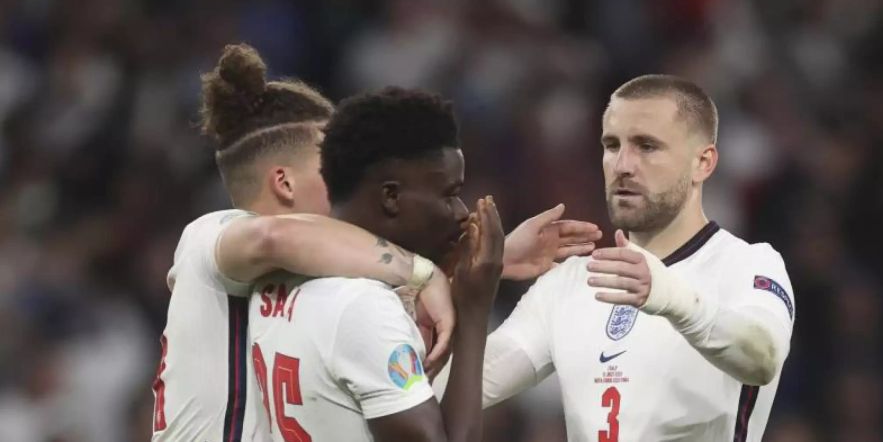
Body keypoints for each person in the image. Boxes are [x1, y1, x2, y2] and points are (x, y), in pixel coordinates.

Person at [151, 43, 600, 441]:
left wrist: (475, 267)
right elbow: (274, 236)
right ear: (284, 184)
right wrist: (427, 276)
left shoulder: (292, 287)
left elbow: (425, 387)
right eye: (329, 167)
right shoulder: (209, 238)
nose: (344, 179)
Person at [437, 74, 796, 442]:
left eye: (647, 146)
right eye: (612, 145)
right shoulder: (569, 284)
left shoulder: (747, 266)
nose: (623, 164)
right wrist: (460, 277)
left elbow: (763, 357)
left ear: (702, 163)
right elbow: (429, 395)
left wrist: (672, 298)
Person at [249, 87, 503, 441]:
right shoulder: (365, 305)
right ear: (391, 196)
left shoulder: (274, 278)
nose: (462, 213)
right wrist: (475, 311)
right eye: (449, 194)